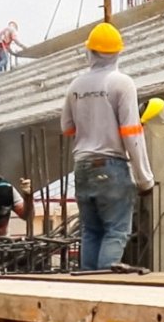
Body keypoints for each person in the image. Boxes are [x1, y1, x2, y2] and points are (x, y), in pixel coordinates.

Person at [61, 22, 155, 270]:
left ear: (90, 52)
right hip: (111, 166)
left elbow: (67, 128)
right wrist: (144, 179)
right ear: (117, 52)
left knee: (91, 232)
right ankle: (103, 289)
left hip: (82, 167)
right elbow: (132, 134)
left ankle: (87, 291)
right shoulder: (122, 83)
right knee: (115, 231)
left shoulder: (75, 86)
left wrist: (90, 124)